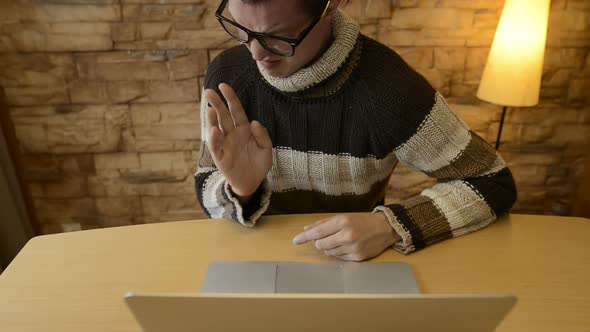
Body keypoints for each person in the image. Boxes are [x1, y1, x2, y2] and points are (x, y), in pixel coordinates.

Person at [194, 0, 517, 261]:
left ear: (331, 6)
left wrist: (389, 225)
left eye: (277, 36)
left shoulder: (389, 91)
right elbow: (207, 184)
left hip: (351, 266)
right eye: (240, 29)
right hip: (253, 259)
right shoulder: (229, 77)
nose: (255, 54)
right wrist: (240, 191)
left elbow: (491, 180)